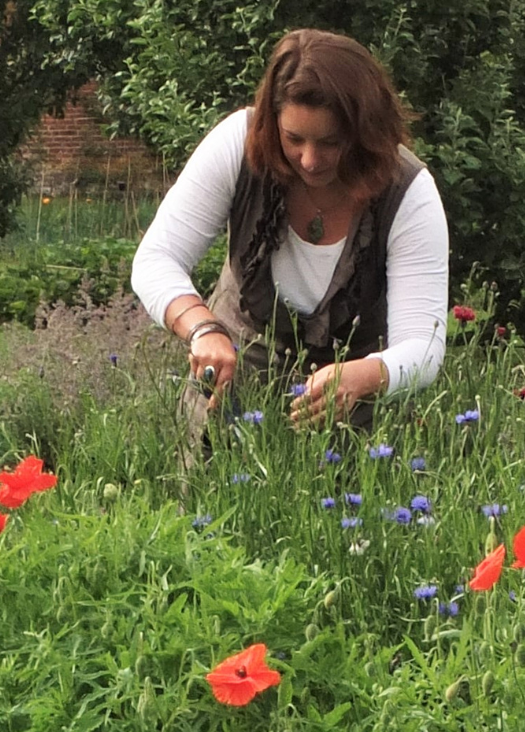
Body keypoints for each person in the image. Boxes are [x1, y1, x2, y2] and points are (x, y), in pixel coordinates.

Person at [131, 28, 449, 438]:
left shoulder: (408, 192)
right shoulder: (237, 144)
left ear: (364, 133)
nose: (310, 160)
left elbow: (423, 346)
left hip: (351, 415)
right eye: (293, 138)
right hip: (229, 398)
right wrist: (202, 328)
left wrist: (367, 375)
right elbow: (155, 260)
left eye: (331, 143)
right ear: (272, 120)